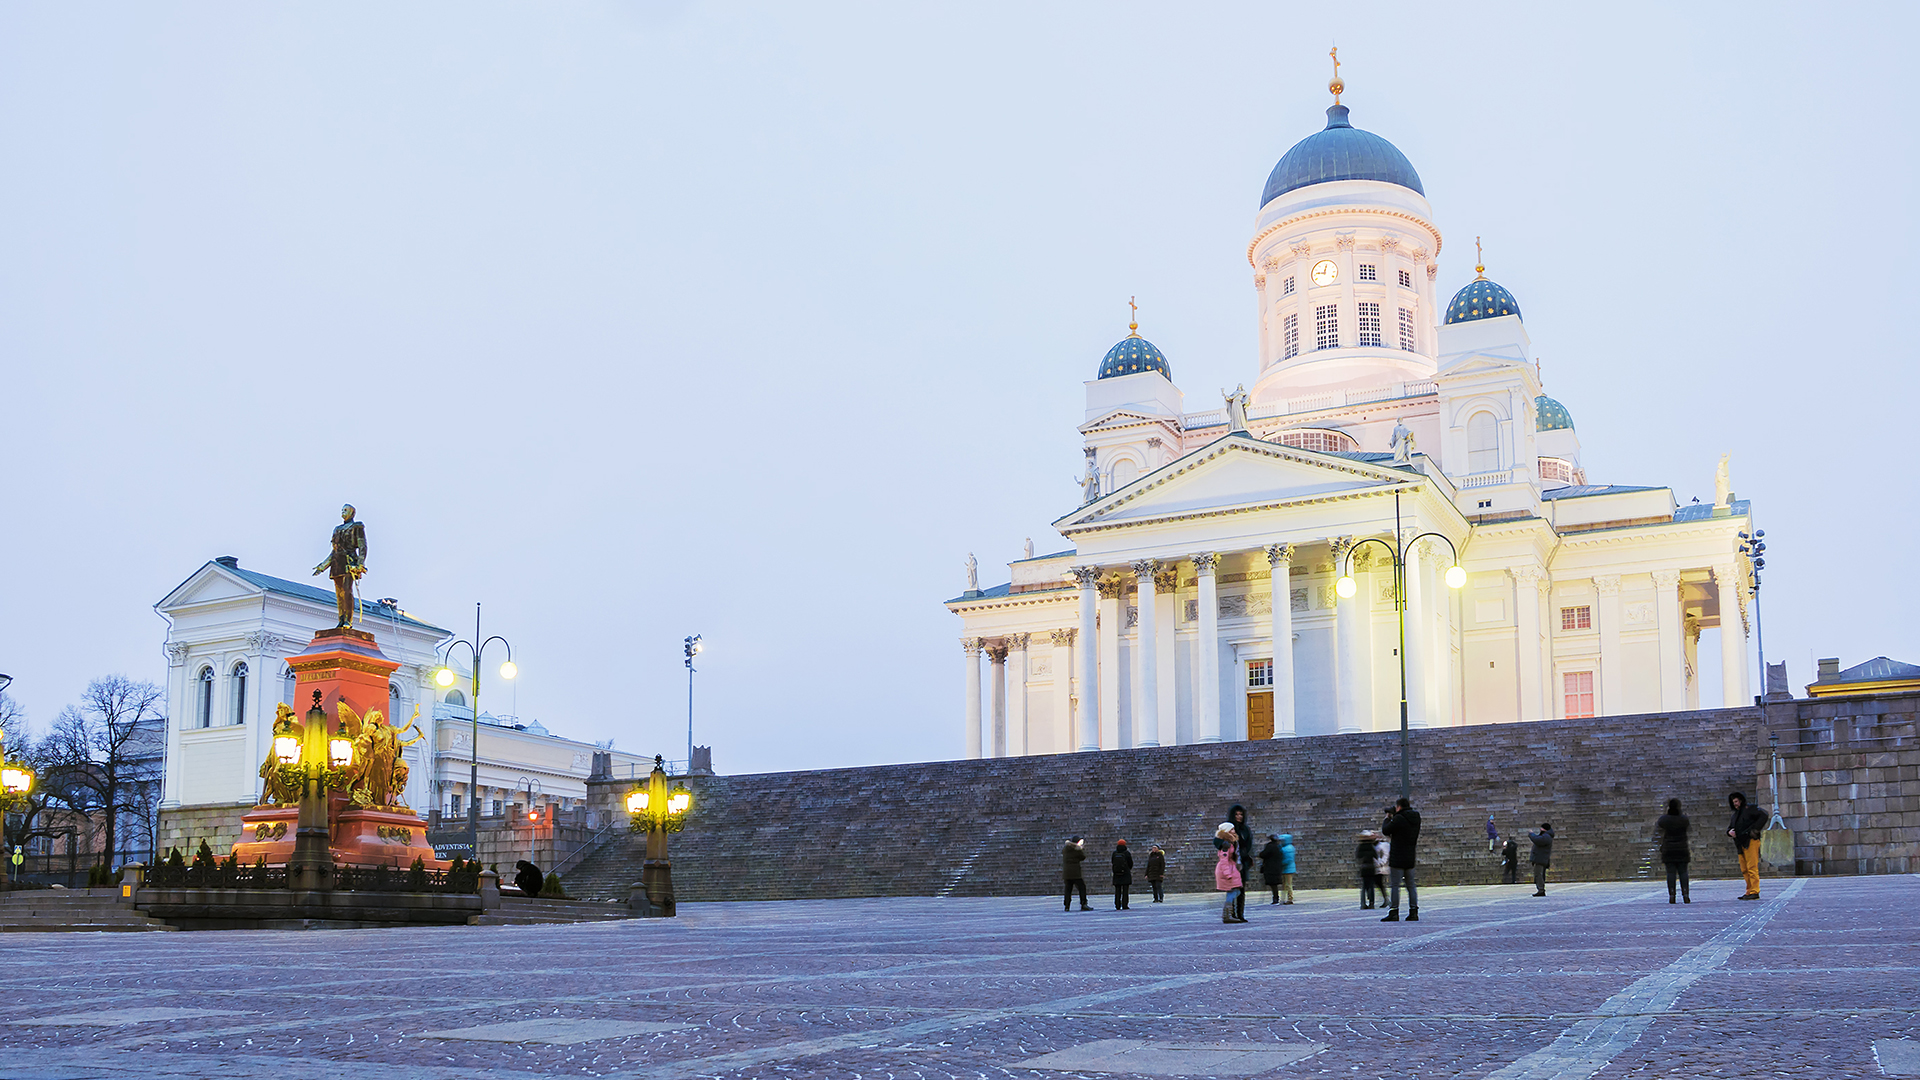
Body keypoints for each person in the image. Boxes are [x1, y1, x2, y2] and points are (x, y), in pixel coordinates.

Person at [1380, 797, 1421, 922]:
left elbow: (1386, 830)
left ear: (1399, 807)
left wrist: (1388, 818)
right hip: (1410, 856)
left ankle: (1394, 911)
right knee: (1411, 886)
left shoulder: (1398, 818)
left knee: (1395, 886)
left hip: (1398, 856)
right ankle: (1413, 911)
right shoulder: (1416, 817)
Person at [1727, 791, 1767, 900]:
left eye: (1736, 801)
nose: (1735, 804)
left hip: (1750, 841)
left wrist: (1754, 830)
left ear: (1741, 801)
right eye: (1733, 802)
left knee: (1752, 867)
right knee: (1745, 868)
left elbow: (1764, 815)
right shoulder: (1735, 815)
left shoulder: (1750, 810)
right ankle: (1749, 890)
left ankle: (1754, 890)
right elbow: (1729, 828)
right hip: (1740, 844)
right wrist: (1729, 832)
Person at [1656, 798, 1691, 904]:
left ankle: (1672, 896)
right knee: (1683, 872)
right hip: (1682, 848)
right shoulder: (1684, 819)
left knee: (1670, 873)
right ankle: (1685, 895)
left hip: (1668, 848)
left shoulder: (1663, 819)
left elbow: (1659, 828)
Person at [1213, 822, 1245, 923]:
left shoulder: (1231, 842)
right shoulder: (1225, 844)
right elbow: (1224, 860)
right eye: (1231, 830)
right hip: (1227, 870)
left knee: (1235, 891)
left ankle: (1228, 913)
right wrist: (1227, 874)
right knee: (1233, 891)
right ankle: (1227, 914)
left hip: (1231, 868)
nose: (1234, 831)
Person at [1227, 804, 1254, 921]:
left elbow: (1249, 844)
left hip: (1242, 862)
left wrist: (1244, 853)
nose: (1239, 817)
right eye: (1236, 814)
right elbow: (1218, 841)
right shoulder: (1228, 829)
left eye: (1241, 814)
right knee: (1233, 888)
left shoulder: (1245, 829)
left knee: (1241, 889)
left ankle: (1240, 913)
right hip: (1231, 862)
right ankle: (1231, 913)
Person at [1061, 836, 1090, 911]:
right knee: (1082, 887)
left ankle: (1067, 905)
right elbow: (1083, 857)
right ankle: (1083, 903)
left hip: (1067, 872)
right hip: (1075, 873)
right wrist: (1081, 848)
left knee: (1068, 889)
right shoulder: (1077, 850)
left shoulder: (1065, 849)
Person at [1528, 823, 1554, 896]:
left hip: (1540, 859)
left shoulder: (1546, 836)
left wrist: (1531, 834)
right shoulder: (1547, 836)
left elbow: (1537, 840)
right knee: (1539, 874)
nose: (1540, 829)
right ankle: (1540, 889)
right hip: (1541, 858)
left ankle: (1541, 889)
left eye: (1541, 828)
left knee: (1538, 874)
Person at [1355, 831, 1379, 909]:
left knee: (1364, 886)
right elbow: (1376, 856)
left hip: (1364, 867)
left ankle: (1363, 903)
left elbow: (1358, 856)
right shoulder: (1371, 846)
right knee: (1371, 886)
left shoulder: (1360, 847)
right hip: (1371, 867)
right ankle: (1371, 903)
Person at [1258, 835, 1283, 905]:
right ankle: (1276, 897)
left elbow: (1263, 854)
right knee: (1274, 884)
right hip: (1277, 867)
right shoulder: (1278, 846)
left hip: (1270, 868)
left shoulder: (1270, 846)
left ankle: (1275, 898)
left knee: (1273, 884)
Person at [1111, 839, 1134, 910]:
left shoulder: (1114, 853)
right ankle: (1125, 904)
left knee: (1117, 890)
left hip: (1117, 873)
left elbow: (1112, 862)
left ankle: (1117, 904)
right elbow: (1130, 863)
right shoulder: (1126, 853)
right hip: (1125, 873)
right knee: (1125, 890)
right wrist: (1127, 869)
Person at [1278, 833, 1297, 905]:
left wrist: (1280, 863)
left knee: (1288, 884)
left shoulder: (1287, 848)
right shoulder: (1289, 847)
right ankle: (1286, 898)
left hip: (1287, 868)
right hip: (1288, 868)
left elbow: (1287, 860)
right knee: (1286, 884)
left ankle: (1289, 898)